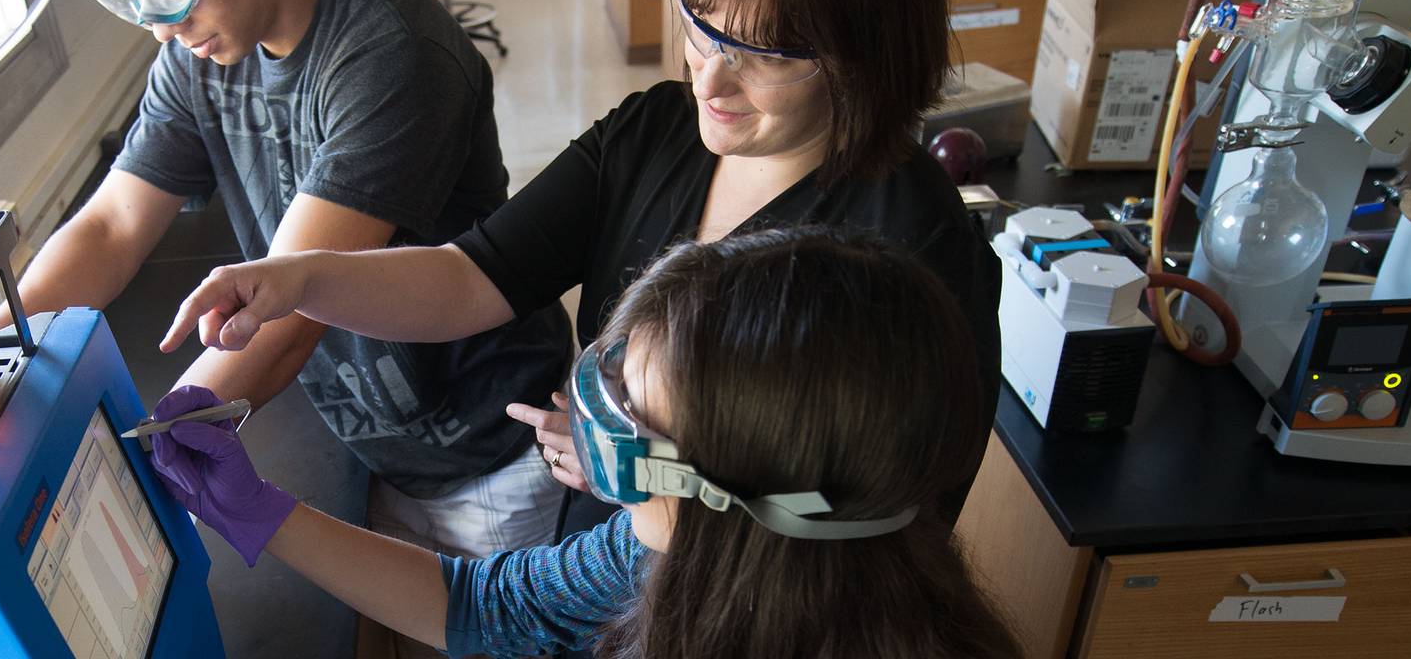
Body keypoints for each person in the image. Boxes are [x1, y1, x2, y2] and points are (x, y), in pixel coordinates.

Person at [159, 0, 1000, 522]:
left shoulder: (908, 247)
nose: (708, 82)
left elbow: (885, 521)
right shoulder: (658, 130)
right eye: (701, 30)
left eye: (762, 57)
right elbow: (471, 277)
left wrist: (651, 478)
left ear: (867, 54)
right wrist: (301, 278)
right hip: (609, 549)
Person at [0, 0, 574, 565]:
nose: (163, 23)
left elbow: (294, 308)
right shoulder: (195, 59)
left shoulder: (391, 49)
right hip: (384, 450)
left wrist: (155, 448)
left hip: (493, 456)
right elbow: (111, 226)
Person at [147, 229, 1023, 657]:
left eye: (636, 417)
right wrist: (263, 513)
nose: (598, 420)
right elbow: (489, 605)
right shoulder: (682, 543)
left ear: (736, 480)